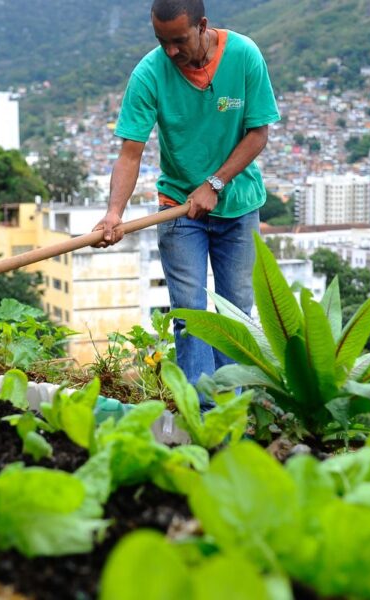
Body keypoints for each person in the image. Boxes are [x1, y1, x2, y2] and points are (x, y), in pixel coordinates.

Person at [93, 0, 279, 391]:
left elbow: (258, 133)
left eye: (179, 40)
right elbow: (130, 153)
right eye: (162, 41)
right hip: (178, 209)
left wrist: (215, 183)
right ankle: (201, 407)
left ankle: (232, 403)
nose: (171, 51)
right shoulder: (149, 73)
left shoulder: (244, 56)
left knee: (235, 313)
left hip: (238, 206)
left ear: (202, 26)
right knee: (189, 313)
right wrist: (114, 213)